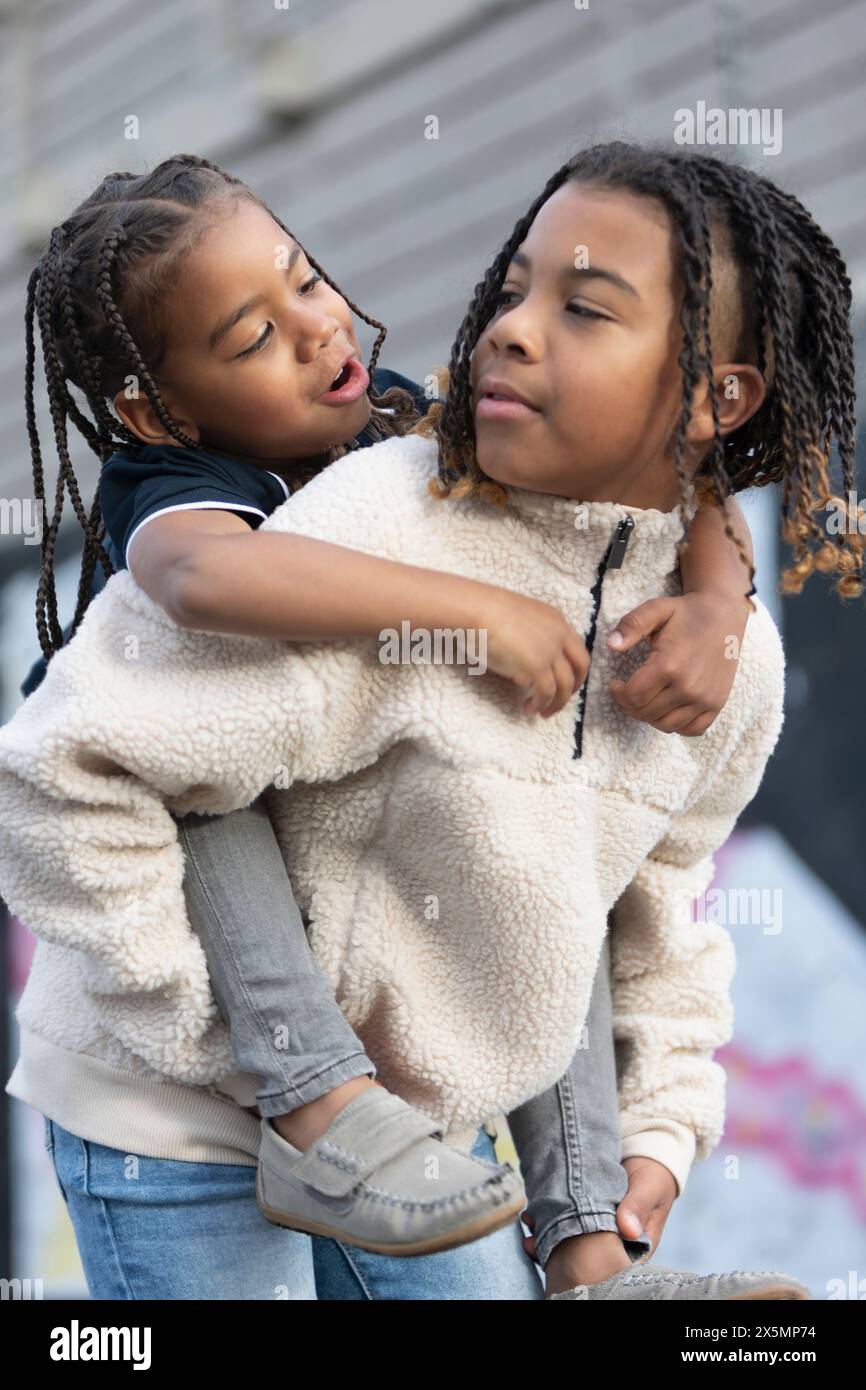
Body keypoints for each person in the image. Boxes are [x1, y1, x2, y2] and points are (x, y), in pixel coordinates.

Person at [3, 140, 849, 1298]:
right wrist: (472, 615)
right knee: (219, 794)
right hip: (191, 1034)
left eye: (307, 282)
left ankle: (588, 1253)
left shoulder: (418, 435)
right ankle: (314, 1097)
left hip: (404, 1107)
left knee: (547, 882)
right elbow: (204, 593)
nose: (315, 329)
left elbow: (676, 477)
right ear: (157, 409)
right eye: (249, 337)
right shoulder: (210, 497)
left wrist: (713, 596)